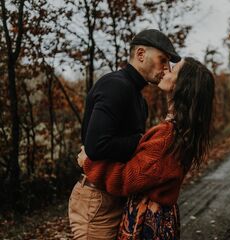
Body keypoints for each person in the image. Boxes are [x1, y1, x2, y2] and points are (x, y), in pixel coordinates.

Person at [77, 57, 215, 239]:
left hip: (148, 221)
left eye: (173, 70)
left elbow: (127, 179)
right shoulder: (183, 130)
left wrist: (88, 163)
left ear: (183, 85)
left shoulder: (167, 136)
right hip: (162, 216)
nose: (166, 70)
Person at [68, 29, 181, 239]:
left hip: (116, 193)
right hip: (97, 200)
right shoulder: (115, 85)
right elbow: (96, 145)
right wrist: (142, 141)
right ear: (140, 54)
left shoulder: (138, 99)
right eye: (162, 59)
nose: (166, 68)